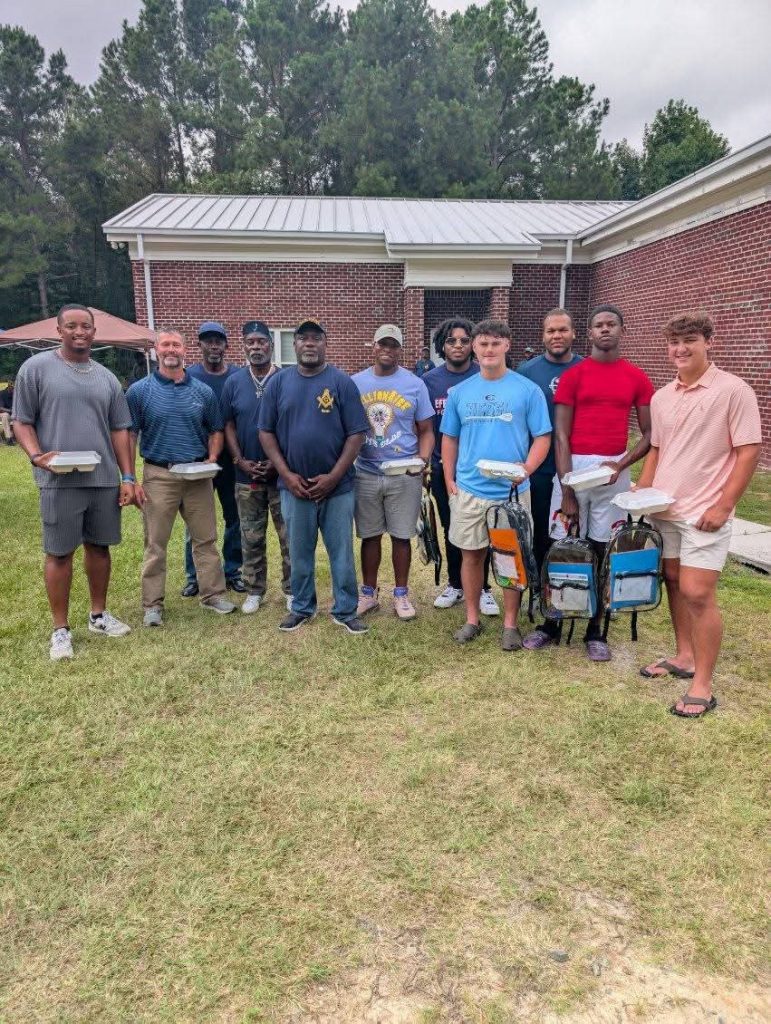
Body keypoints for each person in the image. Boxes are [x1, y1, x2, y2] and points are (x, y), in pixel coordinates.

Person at [637, 312, 761, 718]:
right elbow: (658, 449)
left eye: (689, 340)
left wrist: (724, 505)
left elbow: (748, 451)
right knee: (673, 581)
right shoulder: (662, 396)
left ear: (708, 342)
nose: (681, 349)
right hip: (665, 508)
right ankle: (684, 656)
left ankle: (702, 685)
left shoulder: (733, 390)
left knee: (697, 592)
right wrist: (644, 490)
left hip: (704, 511)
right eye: (674, 342)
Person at [523, 304, 654, 661]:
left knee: (602, 549)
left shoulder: (636, 377)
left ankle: (595, 630)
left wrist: (621, 464)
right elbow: (561, 436)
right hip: (574, 468)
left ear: (622, 330)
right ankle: (552, 621)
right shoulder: (574, 376)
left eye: (612, 324)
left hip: (613, 469)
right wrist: (567, 489)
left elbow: (649, 434)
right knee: (560, 545)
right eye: (599, 325)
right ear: (590, 332)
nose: (605, 329)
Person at [12, 304, 134, 660]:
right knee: (59, 551)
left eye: (85, 326)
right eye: (71, 326)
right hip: (59, 479)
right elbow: (22, 420)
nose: (79, 332)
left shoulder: (106, 378)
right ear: (59, 330)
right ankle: (60, 629)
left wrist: (127, 476)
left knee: (100, 547)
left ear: (94, 332)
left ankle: (98, 615)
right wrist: (37, 455)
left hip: (102, 478)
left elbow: (120, 430)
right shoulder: (36, 369)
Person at [440, 319, 552, 650]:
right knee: (471, 556)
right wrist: (449, 479)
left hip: (511, 492)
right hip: (470, 490)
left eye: (495, 343)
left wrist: (527, 469)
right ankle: (472, 619)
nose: (489, 349)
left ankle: (510, 624)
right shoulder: (460, 393)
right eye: (483, 344)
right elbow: (450, 438)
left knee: (511, 558)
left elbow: (542, 437)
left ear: (506, 345)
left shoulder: (527, 390)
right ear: (474, 348)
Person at [259, 319, 370, 634]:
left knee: (341, 552)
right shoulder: (278, 383)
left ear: (325, 344)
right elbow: (265, 431)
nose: (310, 343)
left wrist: (334, 476)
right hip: (294, 487)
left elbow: (357, 433)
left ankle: (345, 610)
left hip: (338, 488)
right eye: (303, 338)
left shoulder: (341, 382)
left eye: (316, 338)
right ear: (294, 344)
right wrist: (286, 475)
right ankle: (302, 607)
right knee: (299, 552)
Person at [126, 328, 236, 625]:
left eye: (176, 345)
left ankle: (213, 594)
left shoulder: (202, 391)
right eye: (165, 345)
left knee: (205, 539)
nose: (171, 349)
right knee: (155, 542)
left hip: (197, 474)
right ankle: (152, 605)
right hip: (159, 473)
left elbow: (216, 429)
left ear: (185, 350)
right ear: (156, 350)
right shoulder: (139, 391)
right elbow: (130, 434)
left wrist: (212, 458)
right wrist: (129, 477)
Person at [352, 324, 435, 620]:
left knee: (402, 536)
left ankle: (401, 594)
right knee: (370, 535)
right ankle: (368, 593)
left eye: (393, 345)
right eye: (382, 344)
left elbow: (427, 430)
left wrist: (422, 460)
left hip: (403, 471)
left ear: (400, 349)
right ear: (373, 346)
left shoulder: (415, 384)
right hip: (366, 470)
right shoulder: (355, 383)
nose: (387, 349)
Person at [422, 318, 499, 616]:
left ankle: (484, 589)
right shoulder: (430, 381)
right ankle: (455, 583)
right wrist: (427, 464)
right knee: (452, 527)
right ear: (442, 345)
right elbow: (425, 427)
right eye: (451, 341)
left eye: (464, 340)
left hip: (480, 469)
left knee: (486, 529)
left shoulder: (484, 375)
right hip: (444, 467)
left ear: (473, 345)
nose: (458, 346)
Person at [221, 320, 291, 614]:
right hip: (245, 474)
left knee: (289, 536)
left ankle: (292, 589)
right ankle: (254, 589)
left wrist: (277, 463)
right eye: (250, 342)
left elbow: (292, 425)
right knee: (251, 536)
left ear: (271, 346)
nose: (256, 347)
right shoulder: (234, 382)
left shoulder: (286, 379)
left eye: (261, 341)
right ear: (244, 346)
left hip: (282, 476)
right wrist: (240, 461)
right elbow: (228, 424)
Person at [180, 321, 244, 597]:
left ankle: (233, 571)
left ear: (226, 345)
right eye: (208, 341)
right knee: (195, 520)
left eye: (218, 341)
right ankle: (194, 576)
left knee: (234, 518)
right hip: (198, 459)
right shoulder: (188, 376)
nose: (214, 346)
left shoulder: (237, 376)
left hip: (231, 460)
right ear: (200, 345)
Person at [517, 308, 582, 570]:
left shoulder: (586, 368)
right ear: (543, 336)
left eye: (563, 330)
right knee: (540, 531)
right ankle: (539, 585)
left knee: (576, 532)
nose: (557, 335)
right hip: (540, 467)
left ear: (574, 333)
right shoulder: (526, 372)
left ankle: (571, 583)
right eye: (551, 331)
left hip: (579, 464)